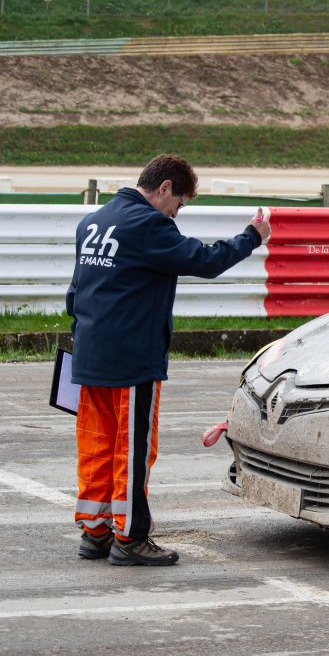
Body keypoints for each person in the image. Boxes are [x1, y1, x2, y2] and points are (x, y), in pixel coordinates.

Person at [66, 154, 271, 566]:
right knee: (133, 452)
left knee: (96, 446)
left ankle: (96, 532)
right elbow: (205, 261)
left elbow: (74, 293)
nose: (177, 213)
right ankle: (131, 540)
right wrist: (252, 236)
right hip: (132, 360)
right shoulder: (147, 224)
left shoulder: (93, 222)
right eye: (179, 204)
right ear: (164, 189)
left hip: (89, 356)